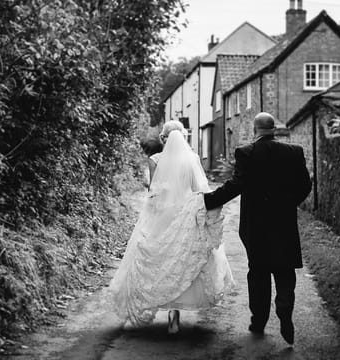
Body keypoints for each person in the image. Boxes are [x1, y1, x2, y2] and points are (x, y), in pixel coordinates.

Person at [108, 121, 234, 334]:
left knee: (161, 260)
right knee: (182, 261)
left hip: (162, 216)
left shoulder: (155, 160)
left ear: (163, 138)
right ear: (184, 136)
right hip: (186, 216)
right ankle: (174, 311)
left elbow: (153, 192)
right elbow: (200, 189)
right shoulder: (193, 159)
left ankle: (168, 308)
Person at [204, 112, 311, 345]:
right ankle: (284, 309)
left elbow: (236, 185)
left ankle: (259, 320)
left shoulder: (247, 153)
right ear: (273, 129)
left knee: (259, 272)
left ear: (256, 130)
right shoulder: (294, 152)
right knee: (284, 270)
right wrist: (289, 202)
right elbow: (305, 184)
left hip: (257, 224)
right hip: (284, 222)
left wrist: (208, 200)